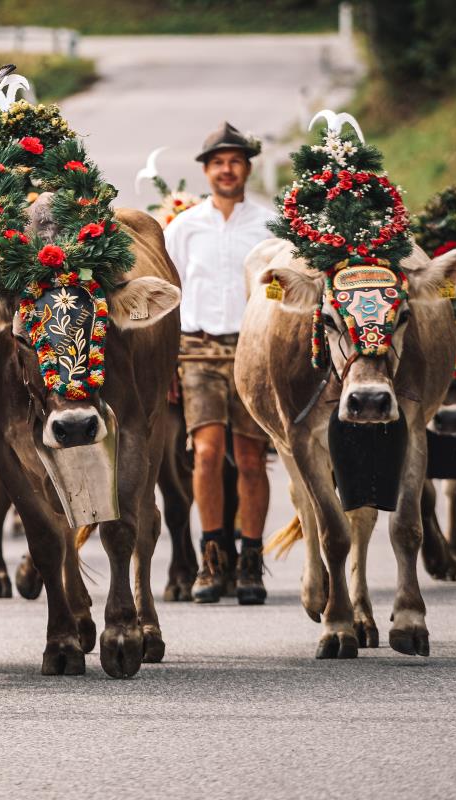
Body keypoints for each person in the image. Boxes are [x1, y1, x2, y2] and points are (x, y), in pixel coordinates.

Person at [163, 121, 275, 606]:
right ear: (206, 172)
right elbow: (169, 296)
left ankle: (251, 561)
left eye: (235, 161)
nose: (226, 170)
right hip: (199, 349)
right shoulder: (184, 228)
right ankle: (212, 559)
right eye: (217, 162)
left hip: (253, 350)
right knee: (205, 454)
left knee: (251, 458)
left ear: (247, 168)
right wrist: (167, 359)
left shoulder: (270, 226)